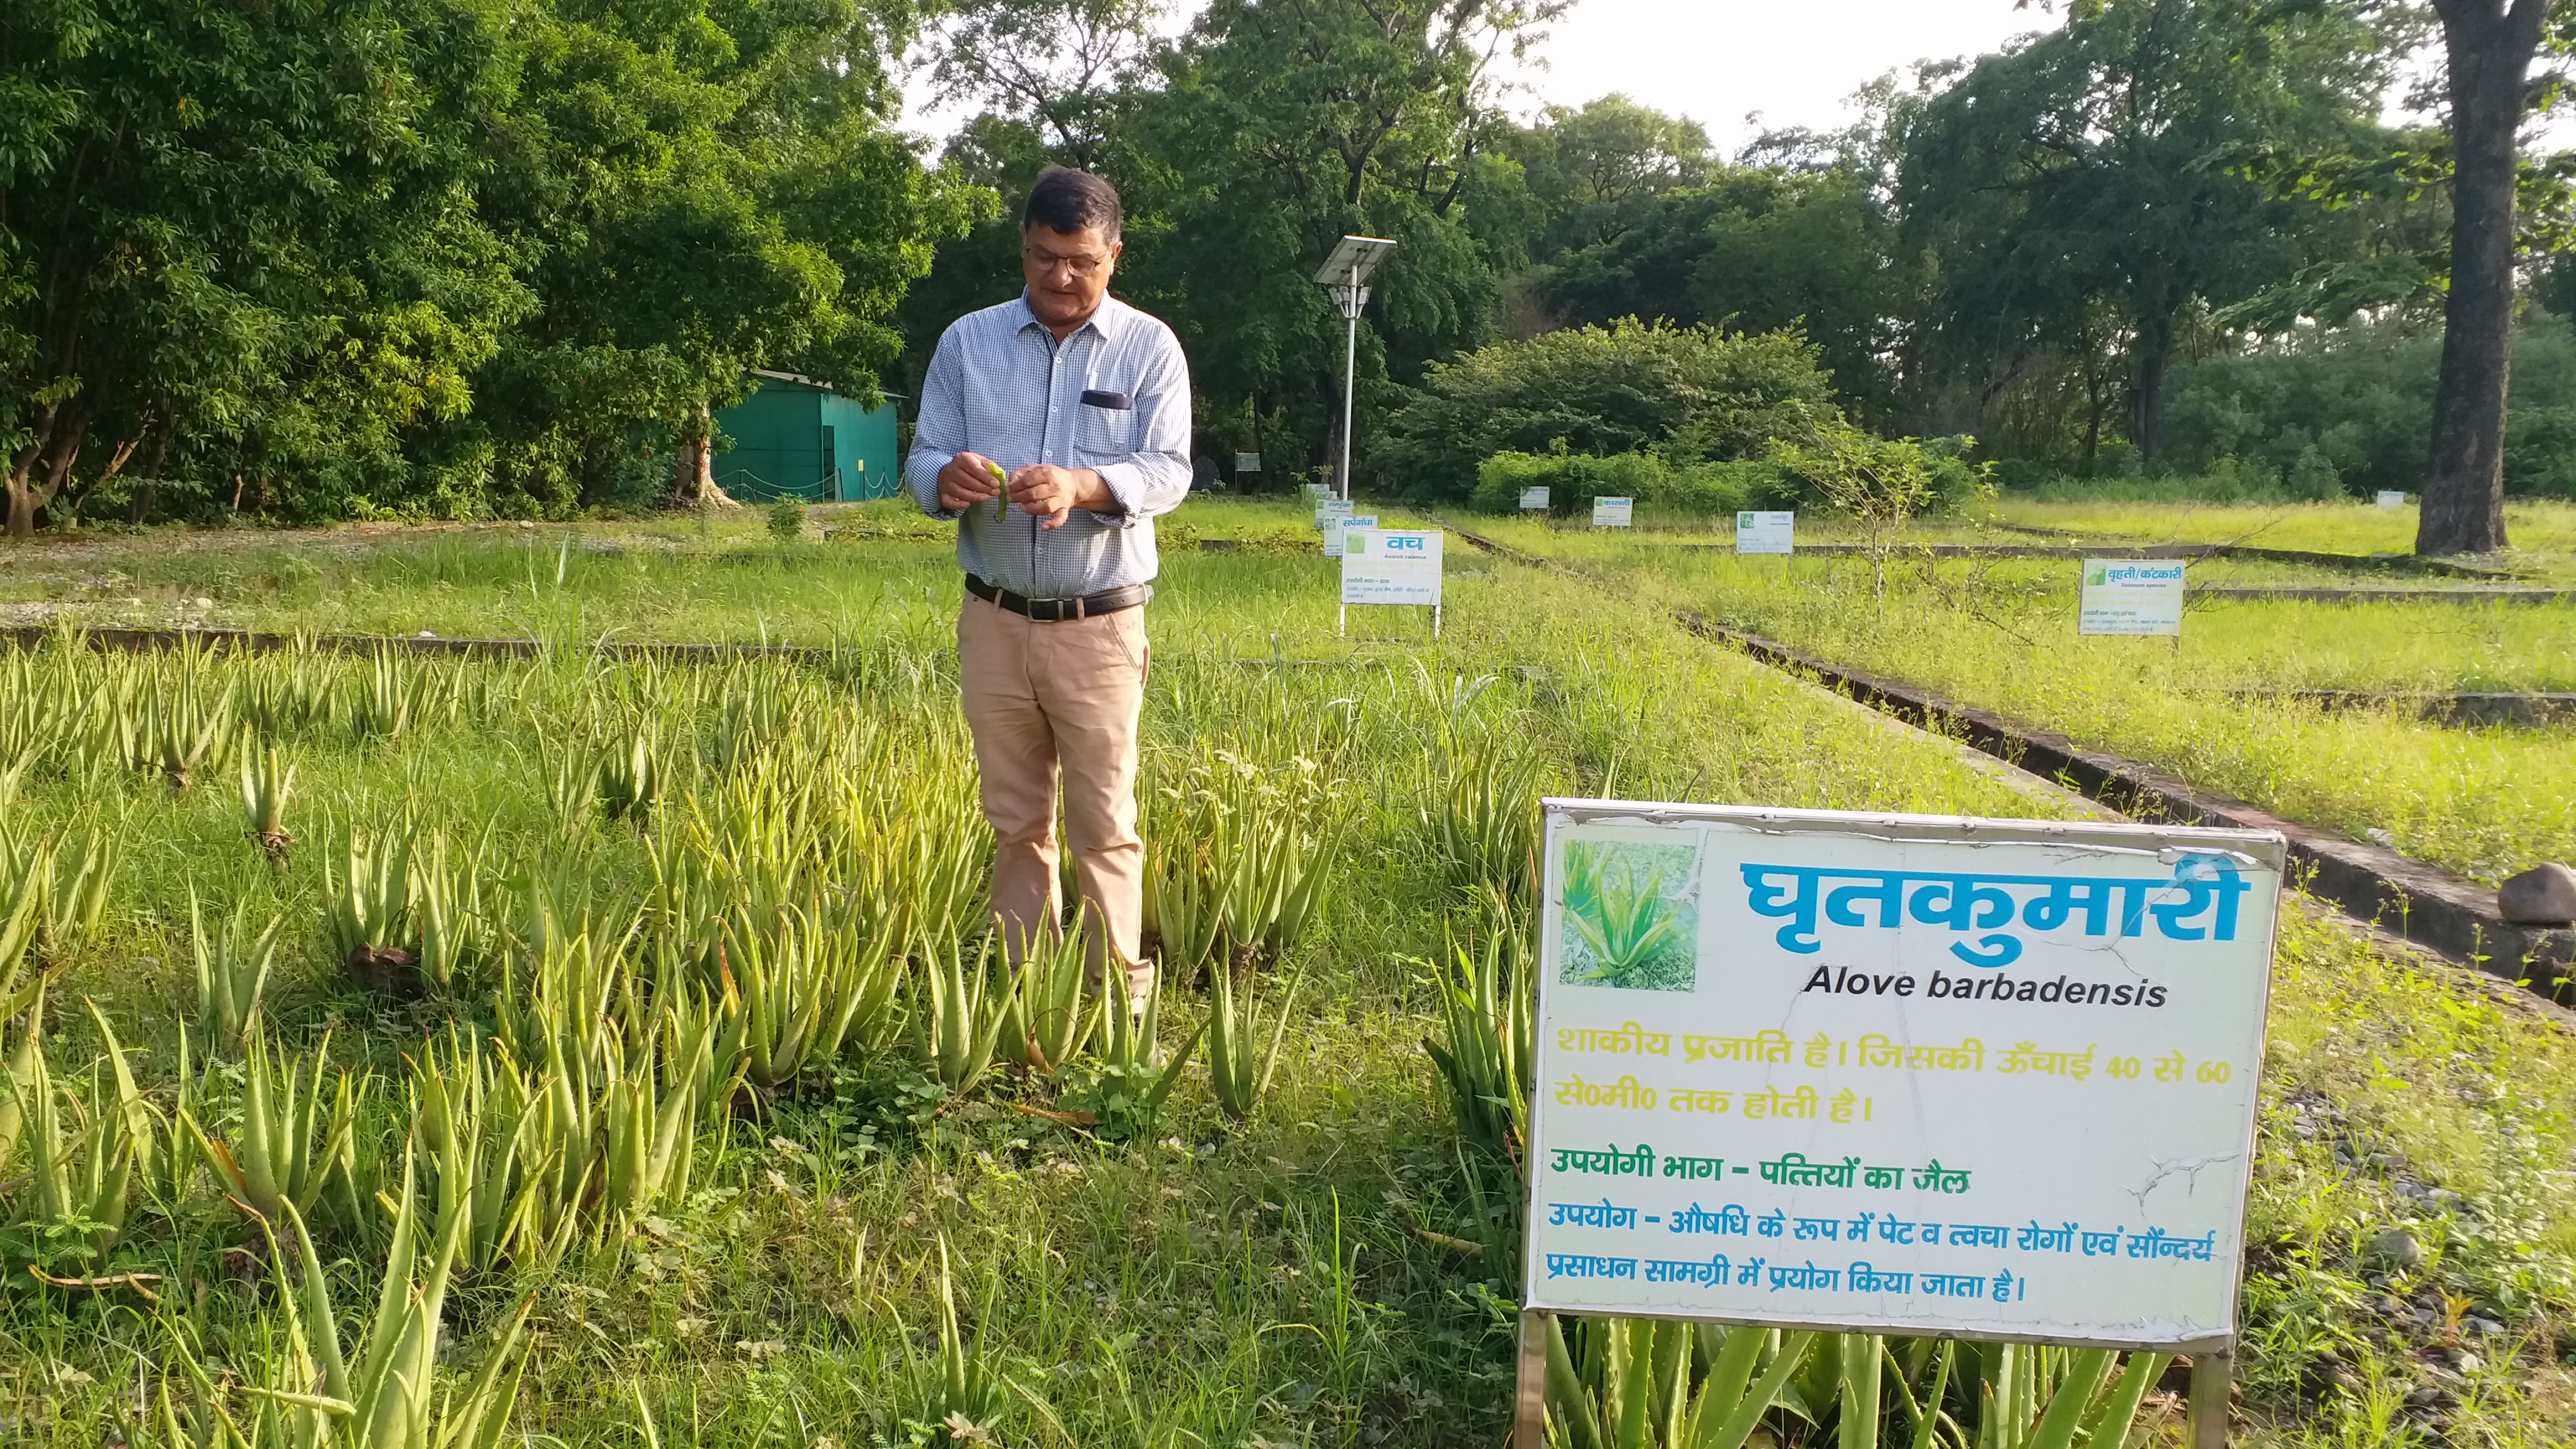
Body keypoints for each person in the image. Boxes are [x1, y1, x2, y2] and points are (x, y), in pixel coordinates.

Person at [905, 166, 1191, 1003]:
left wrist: (1082, 485)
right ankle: (1027, 989)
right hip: (995, 619)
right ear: (1022, 249)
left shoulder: (1149, 347)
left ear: (1114, 255)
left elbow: (1169, 470)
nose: (1060, 278)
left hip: (1098, 622)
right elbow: (921, 460)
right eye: (1041, 257)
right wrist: (943, 478)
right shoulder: (968, 342)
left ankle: (1116, 1000)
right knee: (1015, 819)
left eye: (1080, 261)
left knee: (1105, 824)